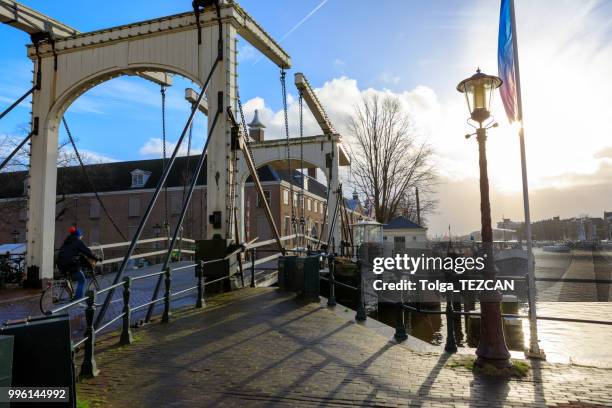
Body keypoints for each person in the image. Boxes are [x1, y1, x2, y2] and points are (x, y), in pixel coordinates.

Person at [56, 227, 98, 300]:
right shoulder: (77, 241)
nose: (81, 238)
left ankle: (70, 293)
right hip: (69, 264)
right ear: (79, 236)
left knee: (69, 278)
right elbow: (87, 251)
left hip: (60, 264)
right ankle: (77, 299)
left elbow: (70, 252)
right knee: (82, 279)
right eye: (81, 236)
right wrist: (96, 258)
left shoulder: (67, 241)